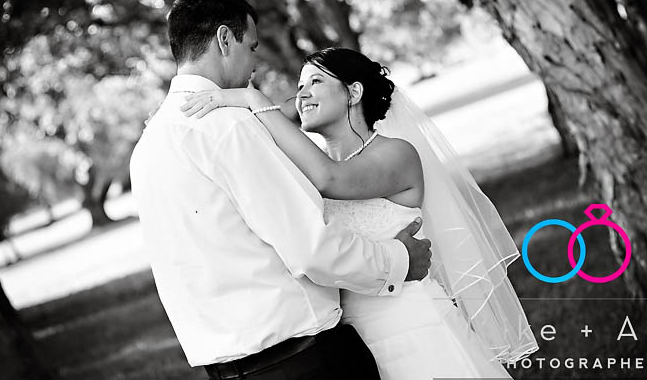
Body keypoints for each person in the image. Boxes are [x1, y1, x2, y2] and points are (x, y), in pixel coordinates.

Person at [130, 0, 433, 380]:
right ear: (225, 39)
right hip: (303, 362)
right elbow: (310, 247)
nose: (254, 65)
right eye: (251, 47)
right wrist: (400, 261)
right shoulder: (231, 125)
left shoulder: (148, 144)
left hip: (225, 369)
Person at [181, 47, 540, 380]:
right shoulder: (305, 170)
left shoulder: (397, 154)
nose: (302, 94)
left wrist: (252, 99)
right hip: (349, 342)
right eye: (300, 86)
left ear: (354, 92)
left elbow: (330, 179)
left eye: (316, 81)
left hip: (412, 328)